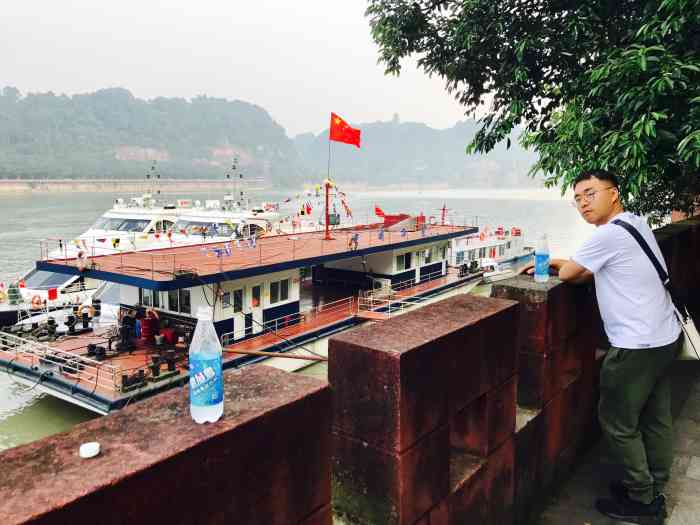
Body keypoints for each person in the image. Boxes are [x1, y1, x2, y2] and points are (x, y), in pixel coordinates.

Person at [520, 169, 681, 521]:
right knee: (655, 417)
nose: (583, 203)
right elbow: (588, 268)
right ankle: (654, 483)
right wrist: (569, 262)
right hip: (664, 335)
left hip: (635, 344)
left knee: (617, 421)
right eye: (577, 198)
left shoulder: (607, 235)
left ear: (614, 193)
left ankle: (642, 501)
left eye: (590, 194)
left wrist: (560, 264)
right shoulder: (635, 224)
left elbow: (567, 276)